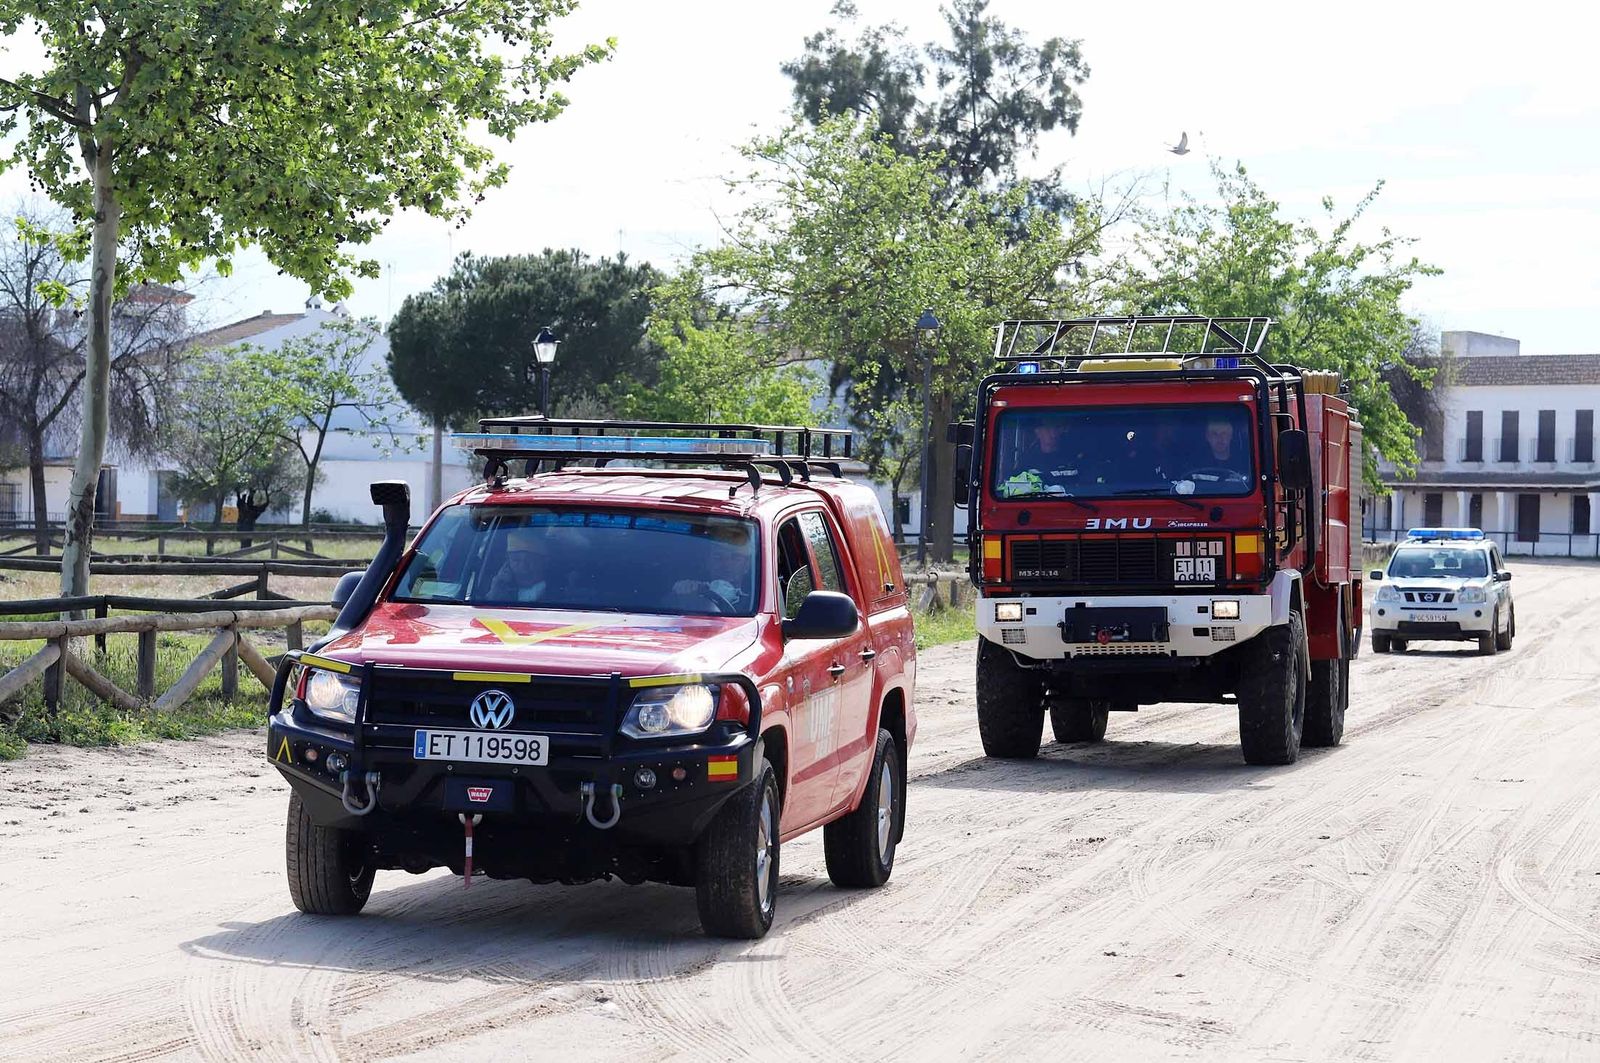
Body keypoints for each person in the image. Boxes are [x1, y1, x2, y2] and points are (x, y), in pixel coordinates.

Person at [1002, 421, 1087, 496]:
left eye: (1056, 429)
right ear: (1037, 431)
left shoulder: (1073, 458)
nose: (1053, 434)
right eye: (1048, 429)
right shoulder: (1026, 462)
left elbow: (1087, 487)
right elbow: (1014, 490)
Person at [487, 526, 550, 603]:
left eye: (530, 560)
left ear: (544, 561)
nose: (523, 566)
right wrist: (498, 587)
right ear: (507, 563)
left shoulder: (561, 591)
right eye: (516, 560)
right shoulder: (503, 591)